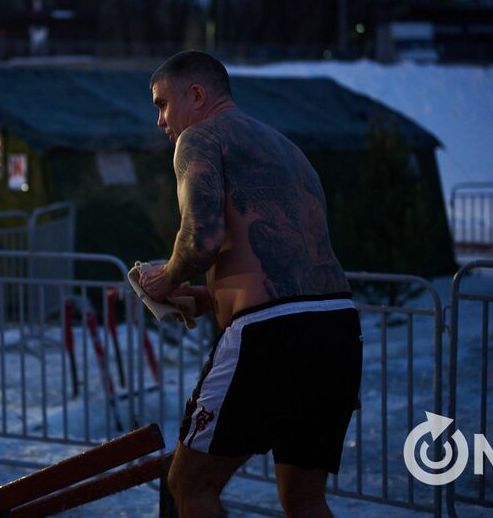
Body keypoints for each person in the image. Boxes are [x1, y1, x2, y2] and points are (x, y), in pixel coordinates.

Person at [138, 51, 362, 518]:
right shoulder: (287, 149)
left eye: (162, 104)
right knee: (304, 499)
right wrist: (211, 297)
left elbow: (202, 239)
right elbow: (289, 262)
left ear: (196, 95)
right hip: (336, 327)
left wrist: (165, 278)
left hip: (269, 336)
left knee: (187, 486)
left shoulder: (199, 138)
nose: (161, 121)